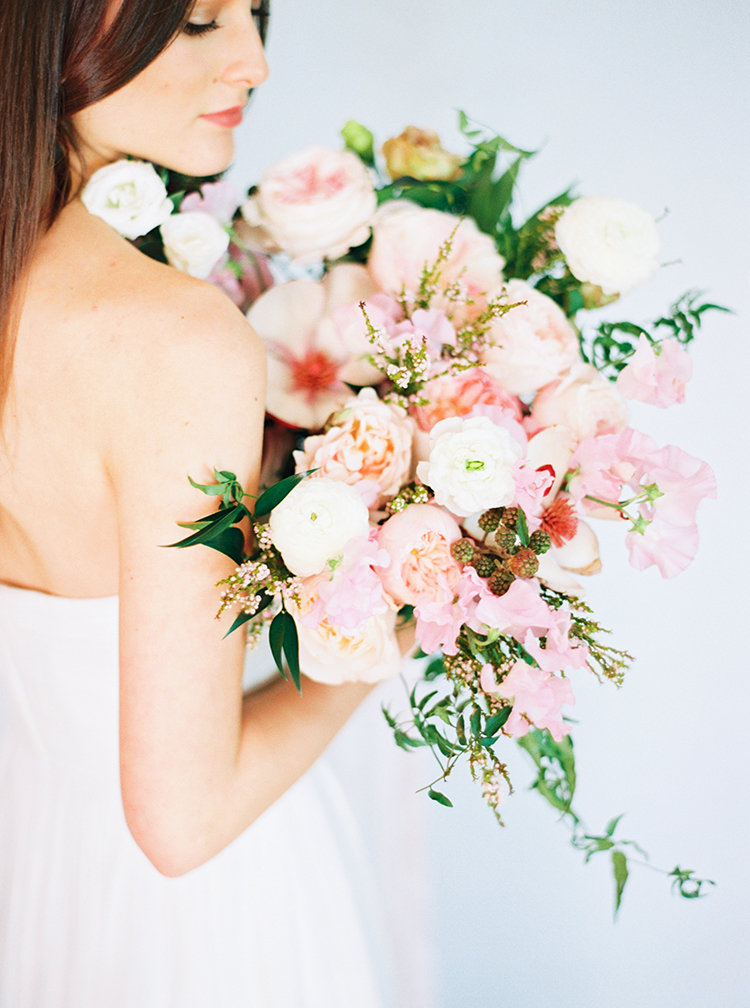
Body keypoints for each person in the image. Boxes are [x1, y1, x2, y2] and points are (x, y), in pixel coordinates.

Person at [0, 1, 425, 1004]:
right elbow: (182, 822)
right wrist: (403, 604)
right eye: (199, 21)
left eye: (255, 13)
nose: (256, 63)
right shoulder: (173, 338)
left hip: (41, 866)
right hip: (204, 932)